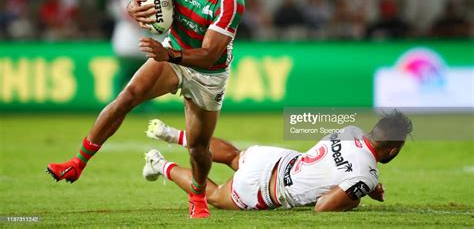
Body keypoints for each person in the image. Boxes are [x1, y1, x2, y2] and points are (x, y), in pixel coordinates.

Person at [47, 0, 245, 219]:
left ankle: (198, 195)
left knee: (199, 146)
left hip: (207, 73)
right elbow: (143, 2)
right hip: (173, 54)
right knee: (127, 97)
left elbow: (209, 54)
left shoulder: (231, 1)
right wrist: (133, 8)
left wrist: (168, 55)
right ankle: (77, 163)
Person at [142, 110, 412, 212]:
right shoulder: (366, 175)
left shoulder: (351, 130)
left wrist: (363, 183)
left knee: (234, 156)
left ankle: (175, 135)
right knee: (212, 195)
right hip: (268, 189)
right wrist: (358, 194)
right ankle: (159, 164)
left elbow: (336, 165)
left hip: (276, 158)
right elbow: (323, 206)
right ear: (393, 150)